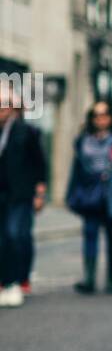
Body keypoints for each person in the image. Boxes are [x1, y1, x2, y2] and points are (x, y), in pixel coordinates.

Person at [66, 98, 112, 294]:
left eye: (104, 114)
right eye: (96, 115)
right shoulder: (83, 139)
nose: (101, 119)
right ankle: (89, 279)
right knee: (89, 234)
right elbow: (77, 168)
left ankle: (111, 277)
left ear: (111, 116)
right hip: (90, 195)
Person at [0, 92, 47, 307]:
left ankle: (18, 280)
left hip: (20, 194)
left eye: (5, 106)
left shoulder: (26, 132)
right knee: (4, 237)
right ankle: (7, 280)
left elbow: (39, 164)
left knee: (15, 234)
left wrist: (39, 192)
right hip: (2, 194)